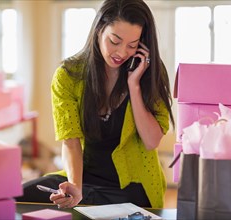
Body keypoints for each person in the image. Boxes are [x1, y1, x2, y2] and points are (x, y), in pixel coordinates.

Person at [16, 0, 174, 209]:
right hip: (84, 181)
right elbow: (70, 141)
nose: (121, 52)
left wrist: (134, 86)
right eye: (114, 41)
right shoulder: (69, 75)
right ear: (99, 30)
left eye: (132, 45)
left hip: (131, 189)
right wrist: (74, 186)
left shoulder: (150, 73)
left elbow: (151, 141)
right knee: (17, 197)